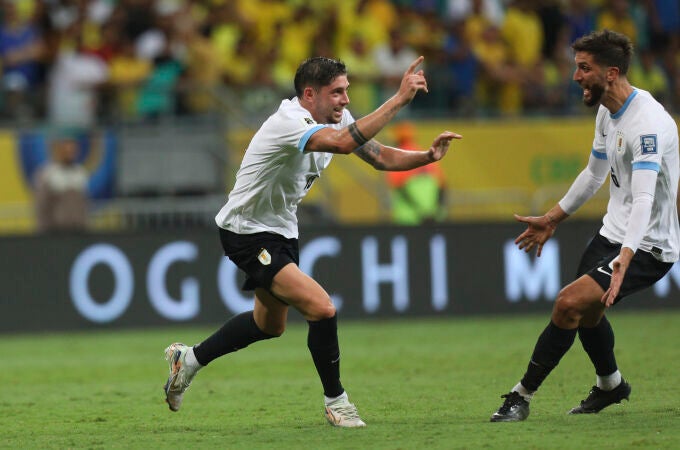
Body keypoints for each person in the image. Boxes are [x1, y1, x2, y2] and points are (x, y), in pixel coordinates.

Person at [163, 56, 462, 427]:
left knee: (269, 325)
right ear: (310, 94)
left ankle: (188, 360)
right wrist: (398, 99)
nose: (346, 100)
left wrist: (427, 157)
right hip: (247, 231)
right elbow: (339, 144)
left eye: (347, 91)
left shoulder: (337, 121)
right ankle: (337, 403)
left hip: (281, 231)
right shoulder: (290, 122)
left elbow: (380, 156)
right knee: (322, 308)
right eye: (337, 92)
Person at [490, 29, 679, 422]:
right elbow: (594, 175)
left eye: (583, 68)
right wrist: (552, 218)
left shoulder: (647, 124)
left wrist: (626, 256)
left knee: (568, 304)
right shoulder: (608, 112)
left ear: (611, 73)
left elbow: (645, 197)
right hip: (613, 233)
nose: (575, 76)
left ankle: (519, 396)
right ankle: (611, 385)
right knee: (588, 315)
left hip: (648, 245)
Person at [386, 121, 447, 225]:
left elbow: (401, 189)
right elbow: (442, 188)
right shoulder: (426, 156)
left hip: (408, 219)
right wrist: (432, 212)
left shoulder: (396, 158)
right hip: (433, 219)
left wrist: (420, 212)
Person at [33, 134, 89, 233]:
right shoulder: (48, 174)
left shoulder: (80, 172)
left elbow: (84, 205)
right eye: (66, 149)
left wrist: (85, 225)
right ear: (59, 150)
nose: (70, 152)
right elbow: (41, 206)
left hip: (79, 231)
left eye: (72, 150)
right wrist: (43, 231)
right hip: (55, 232)